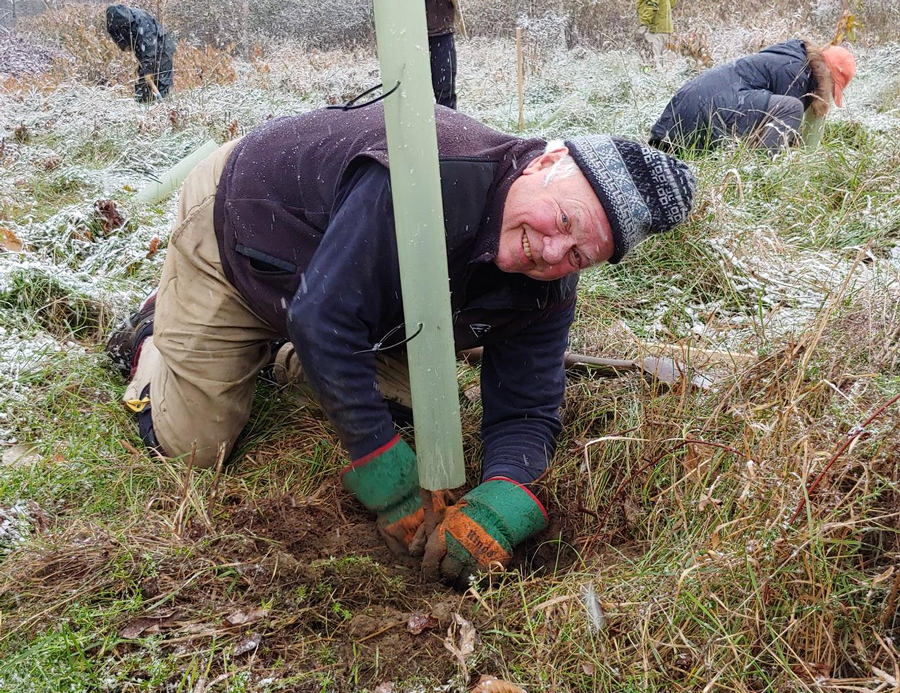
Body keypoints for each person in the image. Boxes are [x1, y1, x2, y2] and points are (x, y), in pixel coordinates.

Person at [106, 105, 694, 587]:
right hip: (244, 234)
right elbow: (324, 316)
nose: (550, 251)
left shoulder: (547, 287)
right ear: (547, 160)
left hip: (362, 296)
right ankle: (156, 334)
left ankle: (277, 355)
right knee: (194, 450)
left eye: (578, 255)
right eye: (563, 220)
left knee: (403, 411)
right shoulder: (431, 177)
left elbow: (527, 406)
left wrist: (506, 493)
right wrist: (379, 466)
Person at [649, 40, 856, 154]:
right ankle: (759, 171)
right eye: (832, 88)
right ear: (827, 76)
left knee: (787, 109)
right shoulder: (796, 74)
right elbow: (783, 134)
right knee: (791, 109)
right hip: (701, 117)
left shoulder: (792, 57)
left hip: (679, 118)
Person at [106, 4, 176, 103]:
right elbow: (122, 42)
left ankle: (165, 107)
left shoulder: (141, 21)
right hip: (142, 50)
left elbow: (149, 48)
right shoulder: (114, 24)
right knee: (143, 85)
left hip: (162, 46)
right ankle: (143, 108)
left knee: (162, 80)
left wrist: (147, 70)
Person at [426, 0, 458, 109]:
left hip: (441, 31)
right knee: (412, 93)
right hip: (409, 34)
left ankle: (449, 125)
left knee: (445, 94)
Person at [636, 0, 676, 67]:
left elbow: (651, 5)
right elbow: (672, 3)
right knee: (666, 63)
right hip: (666, 28)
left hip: (654, 30)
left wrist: (644, 23)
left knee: (654, 62)